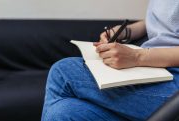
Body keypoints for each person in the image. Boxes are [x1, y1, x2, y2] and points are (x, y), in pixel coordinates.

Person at [42, 0, 179, 121]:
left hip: (173, 83)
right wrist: (126, 31)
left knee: (62, 72)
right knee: (62, 112)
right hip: (154, 69)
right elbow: (166, 21)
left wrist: (137, 57)